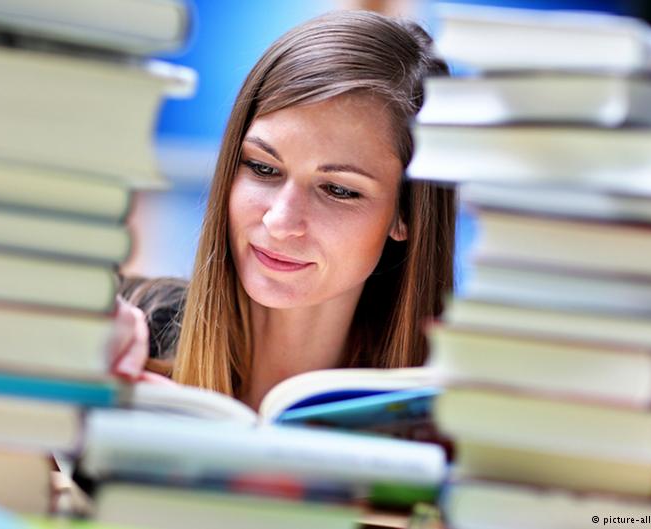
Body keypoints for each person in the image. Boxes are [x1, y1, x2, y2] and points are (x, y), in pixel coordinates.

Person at [107, 9, 456, 410]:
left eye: (338, 190)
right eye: (263, 168)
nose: (280, 221)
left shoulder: (446, 414)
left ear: (406, 213)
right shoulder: (116, 328)